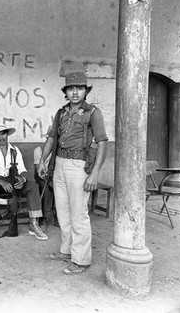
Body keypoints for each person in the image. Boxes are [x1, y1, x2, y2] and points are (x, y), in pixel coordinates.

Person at [38, 71, 108, 275]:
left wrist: (94, 174)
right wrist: (43, 161)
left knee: (79, 214)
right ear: (66, 92)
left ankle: (82, 260)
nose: (75, 92)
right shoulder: (61, 113)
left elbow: (102, 143)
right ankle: (67, 251)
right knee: (64, 212)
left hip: (79, 166)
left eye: (79, 88)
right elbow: (51, 139)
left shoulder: (93, 112)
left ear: (86, 91)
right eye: (70, 88)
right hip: (59, 163)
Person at [0, 122, 47, 243]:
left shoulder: (14, 150)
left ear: (7, 135)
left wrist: (22, 179)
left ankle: (34, 223)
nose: (1, 138)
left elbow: (22, 170)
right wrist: (1, 182)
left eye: (3, 134)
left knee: (33, 185)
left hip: (12, 180)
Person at [33, 128, 58, 227]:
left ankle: (58, 217)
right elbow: (38, 169)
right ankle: (44, 217)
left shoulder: (57, 152)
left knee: (60, 187)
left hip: (53, 176)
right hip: (41, 176)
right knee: (45, 187)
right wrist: (46, 178)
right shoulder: (38, 150)